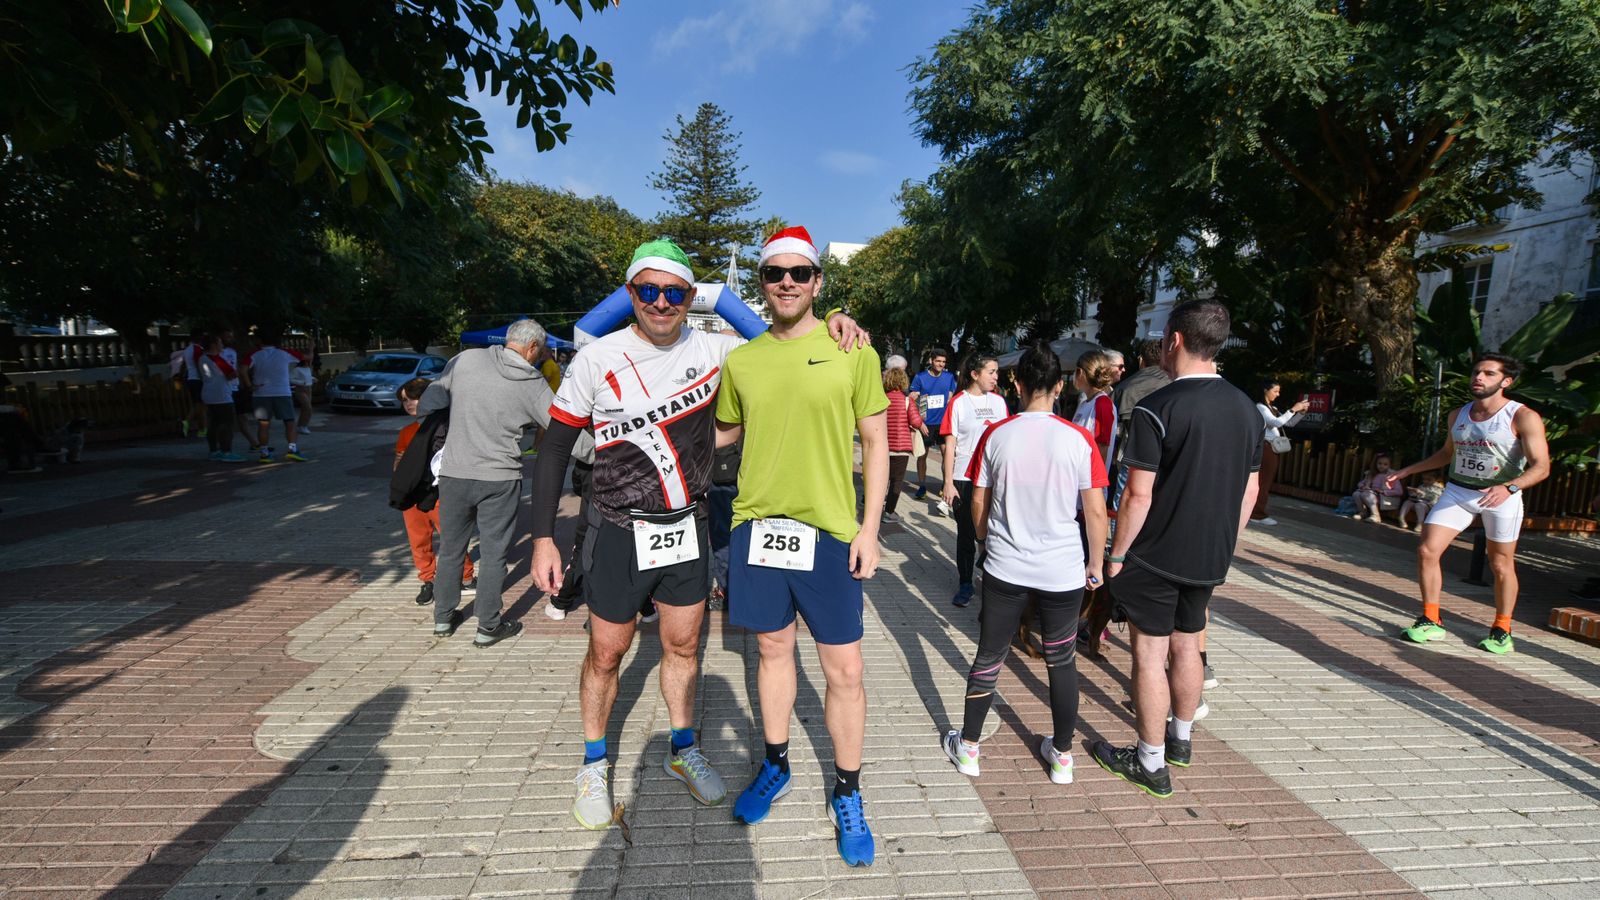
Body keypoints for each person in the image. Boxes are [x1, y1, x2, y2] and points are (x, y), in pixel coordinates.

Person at [528, 235, 867, 830]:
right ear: (630, 292)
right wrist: (541, 537)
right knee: (607, 652)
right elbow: (554, 446)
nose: (661, 302)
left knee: (684, 647)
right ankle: (593, 762)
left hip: (686, 526)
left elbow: (789, 337)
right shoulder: (597, 357)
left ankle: (683, 749)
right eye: (648, 290)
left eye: (674, 292)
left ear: (690, 296)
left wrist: (840, 318)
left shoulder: (720, 351)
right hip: (617, 527)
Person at [715, 225, 888, 867]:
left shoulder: (852, 350)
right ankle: (776, 764)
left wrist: (869, 530)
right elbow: (721, 435)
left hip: (830, 534)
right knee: (771, 651)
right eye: (774, 273)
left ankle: (847, 790)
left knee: (845, 670)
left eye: (799, 273)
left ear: (817, 281)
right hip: (758, 529)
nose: (786, 283)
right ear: (761, 284)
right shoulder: (741, 360)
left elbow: (876, 443)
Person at [1091, 300, 1262, 799]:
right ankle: (1180, 740)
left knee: (1149, 655)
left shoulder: (1157, 407)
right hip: (1210, 554)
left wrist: (1116, 556)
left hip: (1156, 554)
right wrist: (1226, 542)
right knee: (1189, 644)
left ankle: (1150, 761)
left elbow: (1137, 495)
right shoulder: (1247, 409)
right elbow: (1250, 491)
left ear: (1175, 339)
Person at [942, 342, 1108, 784]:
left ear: (1016, 384)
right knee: (1061, 659)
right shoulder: (1078, 439)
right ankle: (1062, 756)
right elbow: (1095, 511)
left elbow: (978, 501)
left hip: (1005, 566)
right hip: (1063, 569)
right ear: (1059, 386)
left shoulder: (997, 435)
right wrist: (1096, 563)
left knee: (990, 654)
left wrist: (984, 540)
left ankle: (970, 748)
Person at [1385, 354, 1550, 654]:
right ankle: (1431, 620)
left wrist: (1509, 487)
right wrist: (1409, 470)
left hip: (1502, 497)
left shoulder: (1522, 416)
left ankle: (1502, 629)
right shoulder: (1458, 415)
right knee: (1427, 550)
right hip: (1459, 492)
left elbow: (1541, 467)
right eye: (1476, 372)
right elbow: (1447, 454)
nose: (1479, 377)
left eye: (1489, 373)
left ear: (1506, 381)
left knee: (1500, 564)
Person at [418, 318, 556, 648]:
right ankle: (488, 626)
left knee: (451, 548)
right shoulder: (533, 381)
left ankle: (443, 617)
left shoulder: (465, 360)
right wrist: (599, 452)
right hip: (500, 478)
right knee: (494, 553)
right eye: (540, 353)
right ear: (532, 347)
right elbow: (561, 428)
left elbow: (427, 404)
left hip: (455, 473)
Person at [392, 378, 475, 606]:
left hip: (440, 493)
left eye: (413, 398)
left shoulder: (448, 427)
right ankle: (428, 579)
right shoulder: (406, 432)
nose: (408, 404)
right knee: (418, 539)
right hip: (412, 495)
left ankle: (466, 577)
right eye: (404, 401)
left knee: (451, 536)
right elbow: (398, 463)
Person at [941, 353, 1006, 607]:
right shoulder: (958, 403)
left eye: (997, 372)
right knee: (966, 533)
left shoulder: (999, 402)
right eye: (991, 372)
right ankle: (966, 584)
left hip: (993, 479)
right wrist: (948, 482)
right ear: (975, 374)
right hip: (964, 477)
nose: (996, 377)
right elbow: (950, 445)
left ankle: (992, 582)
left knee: (994, 532)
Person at [1251, 381, 1310, 526]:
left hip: (1272, 448)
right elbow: (1276, 423)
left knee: (1265, 481)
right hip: (1266, 447)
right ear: (1265, 390)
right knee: (1263, 482)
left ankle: (1255, 512)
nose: (1278, 394)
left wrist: (1300, 413)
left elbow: (1288, 423)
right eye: (1275, 391)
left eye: (1278, 391)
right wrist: (1293, 409)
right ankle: (1257, 514)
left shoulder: (1273, 408)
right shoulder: (1260, 407)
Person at [246, 331, 306, 462]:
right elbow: (305, 357)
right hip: (282, 392)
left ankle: (264, 453)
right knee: (290, 422)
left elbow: (241, 369)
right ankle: (292, 449)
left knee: (263, 424)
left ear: (260, 340)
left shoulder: (254, 354)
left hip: (261, 393)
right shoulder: (285, 353)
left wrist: (249, 385)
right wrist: (311, 348)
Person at [908, 349, 956, 500]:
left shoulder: (949, 377)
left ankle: (945, 485)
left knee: (946, 455)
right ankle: (922, 486)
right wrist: (919, 421)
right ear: (931, 361)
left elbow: (951, 398)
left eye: (943, 362)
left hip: (943, 423)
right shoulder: (920, 377)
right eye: (938, 361)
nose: (941, 364)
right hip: (926, 423)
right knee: (922, 456)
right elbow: (912, 400)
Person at [881, 365, 924, 524]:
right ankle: (889, 512)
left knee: (881, 479)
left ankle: (874, 507)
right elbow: (916, 422)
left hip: (882, 446)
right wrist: (921, 416)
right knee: (896, 481)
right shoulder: (907, 401)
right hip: (901, 448)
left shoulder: (881, 399)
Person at [1070, 350, 1118, 471]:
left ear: (1080, 372)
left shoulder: (1102, 404)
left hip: (1089, 479)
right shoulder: (1085, 403)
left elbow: (1102, 448)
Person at [1350, 453, 1405, 522]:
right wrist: (1363, 486)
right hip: (1371, 493)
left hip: (1384, 498)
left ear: (1390, 465)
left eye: (1385, 464)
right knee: (1356, 494)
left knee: (1366, 494)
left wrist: (1383, 491)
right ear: (1375, 464)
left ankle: (1375, 515)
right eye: (1379, 463)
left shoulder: (1392, 476)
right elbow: (1361, 483)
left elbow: (1399, 491)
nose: (1382, 466)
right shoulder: (1372, 474)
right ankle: (1363, 512)